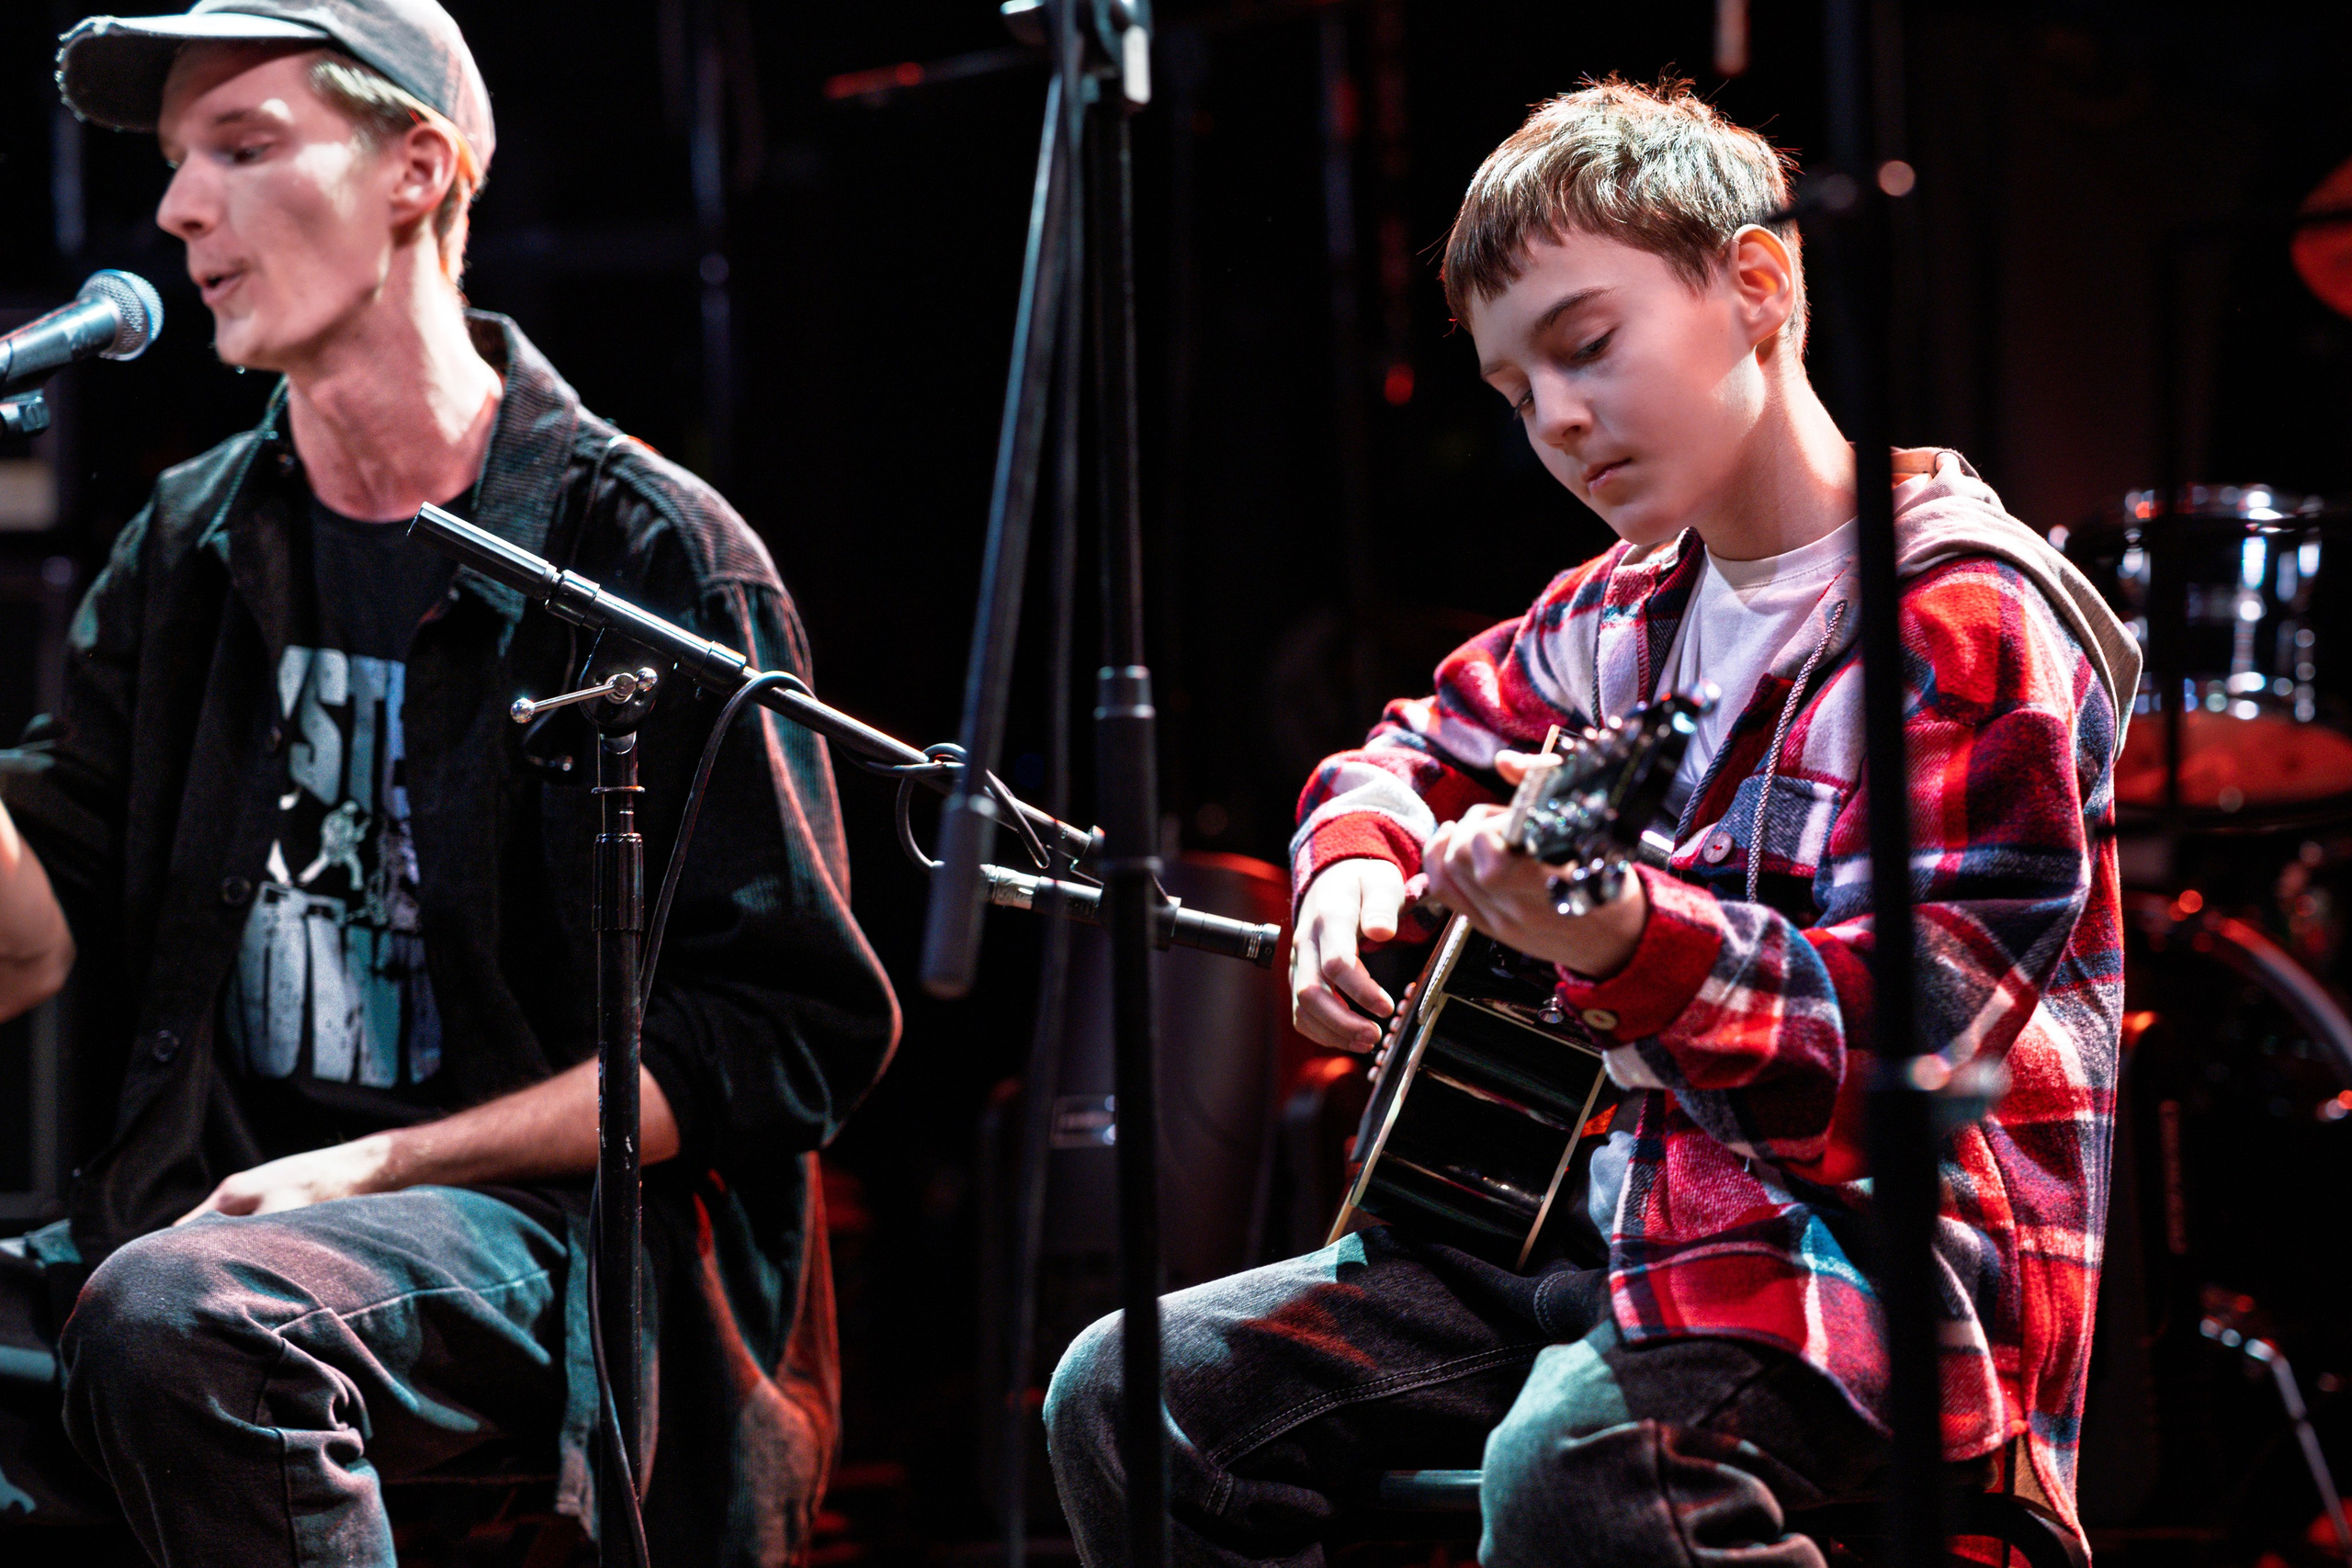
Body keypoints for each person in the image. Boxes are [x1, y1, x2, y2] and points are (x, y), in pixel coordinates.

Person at [1046, 77, 2138, 1568]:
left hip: (1859, 1268)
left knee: (1584, 1463)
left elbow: (1904, 1057)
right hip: (1588, 1236)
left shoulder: (1962, 618)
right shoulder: (1628, 604)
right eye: (1514, 392)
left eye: (1588, 348)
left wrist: (1630, 939)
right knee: (1133, 1396)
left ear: (1758, 286)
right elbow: (1417, 740)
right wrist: (1350, 870)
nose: (1556, 420)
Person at [0, 3, 899, 1563]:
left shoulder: (647, 556)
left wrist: (378, 1164)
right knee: (167, 1297)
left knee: (178, 1308)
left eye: (243, 147)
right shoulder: (189, 547)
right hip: (232, 1231)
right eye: (171, 164)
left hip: (551, 1256)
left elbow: (783, 1035)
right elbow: (37, 935)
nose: (176, 208)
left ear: (418, 169)